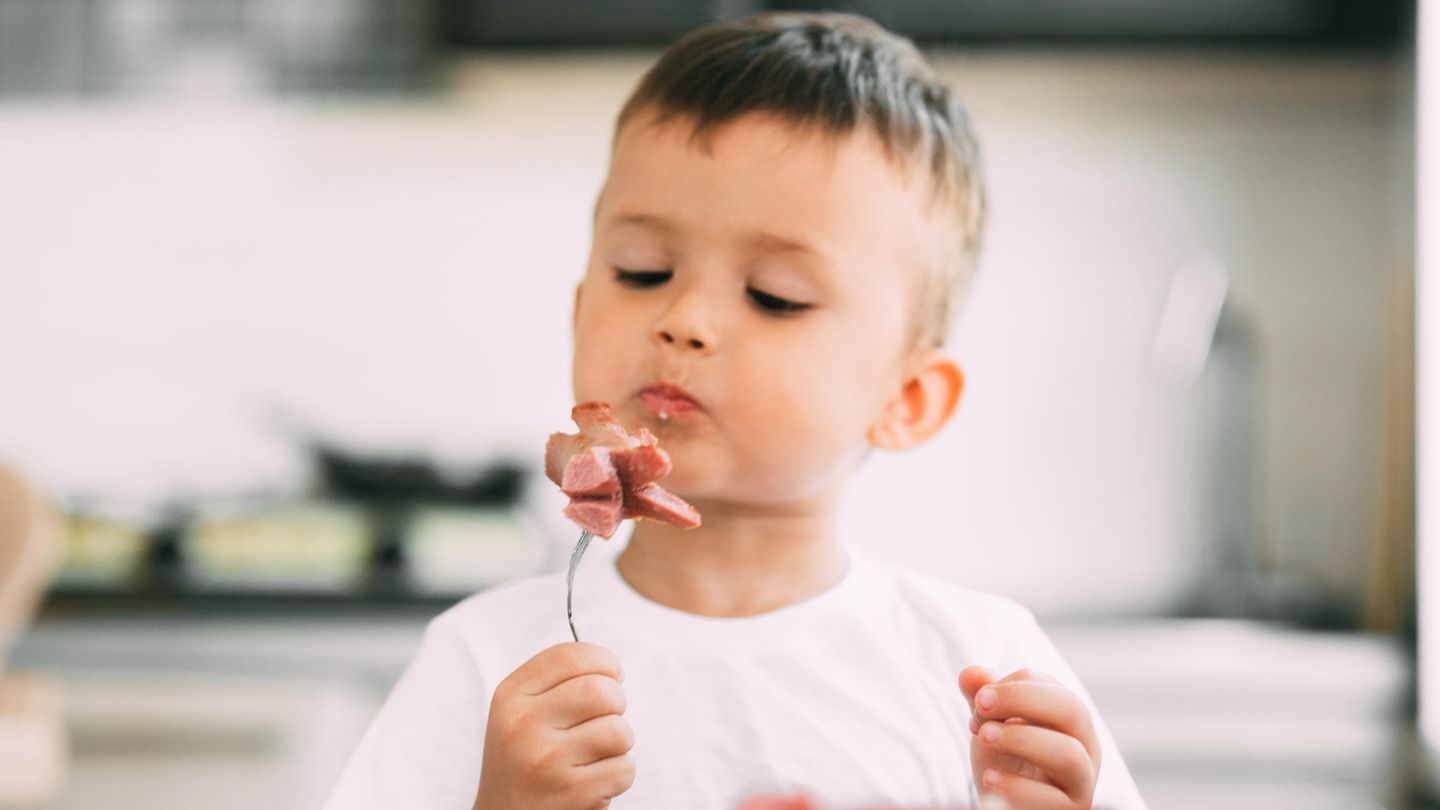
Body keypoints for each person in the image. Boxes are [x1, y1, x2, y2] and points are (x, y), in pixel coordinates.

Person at [324, 12, 1147, 810]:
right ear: (578, 312)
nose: (684, 318)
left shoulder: (984, 673)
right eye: (643, 271)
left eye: (774, 296)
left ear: (905, 400)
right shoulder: (488, 660)